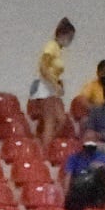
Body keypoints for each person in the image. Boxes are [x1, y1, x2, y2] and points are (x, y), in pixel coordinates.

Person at [31, 18, 75, 146]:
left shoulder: (58, 49)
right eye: (70, 37)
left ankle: (47, 144)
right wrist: (54, 85)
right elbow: (43, 67)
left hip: (52, 86)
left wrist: (58, 83)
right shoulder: (51, 46)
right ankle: (45, 149)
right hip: (45, 86)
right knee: (49, 120)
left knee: (61, 119)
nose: (70, 41)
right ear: (62, 34)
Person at [62, 136, 105, 210]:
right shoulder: (73, 158)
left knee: (101, 172)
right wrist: (66, 195)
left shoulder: (103, 157)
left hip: (96, 192)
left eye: (92, 140)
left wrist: (99, 167)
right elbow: (67, 178)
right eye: (87, 139)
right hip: (81, 192)